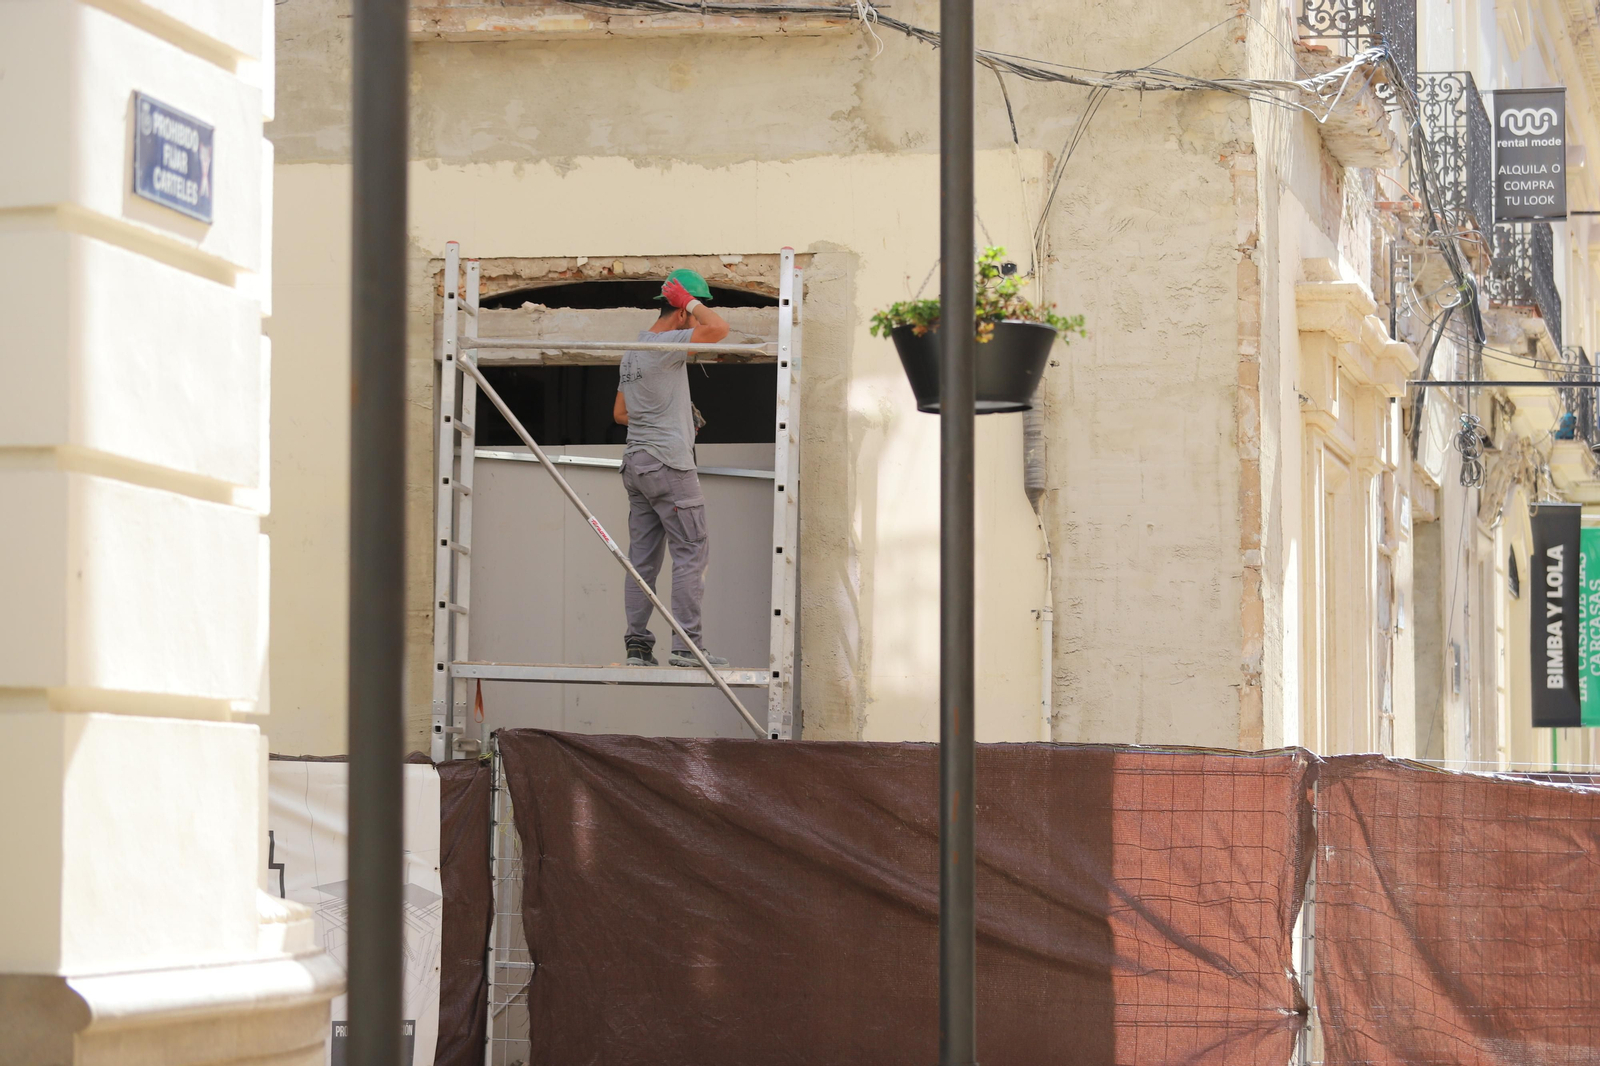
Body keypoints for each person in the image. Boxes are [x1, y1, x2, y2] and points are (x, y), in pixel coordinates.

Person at [613, 269, 731, 667]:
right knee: (691, 551)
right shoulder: (669, 341)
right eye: (694, 311)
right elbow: (718, 330)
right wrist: (690, 302)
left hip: (637, 464)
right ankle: (687, 647)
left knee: (642, 560)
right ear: (681, 312)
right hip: (669, 464)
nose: (698, 318)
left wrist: (677, 415)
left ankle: (637, 646)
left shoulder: (633, 350)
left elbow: (621, 413)